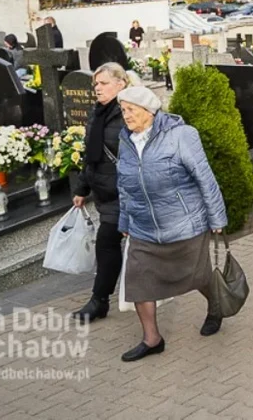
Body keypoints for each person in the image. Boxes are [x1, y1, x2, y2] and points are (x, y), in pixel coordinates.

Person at [114, 86, 229, 362]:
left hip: (183, 222)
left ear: (148, 111)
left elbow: (205, 177)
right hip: (143, 226)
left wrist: (217, 218)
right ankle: (152, 339)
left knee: (198, 275)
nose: (125, 116)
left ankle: (216, 304)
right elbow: (124, 184)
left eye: (130, 110)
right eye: (123, 110)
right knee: (137, 279)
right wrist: (125, 219)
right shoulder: (125, 140)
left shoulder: (181, 135)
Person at [70, 63, 130, 323]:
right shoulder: (98, 112)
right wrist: (83, 188)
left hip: (124, 193)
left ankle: (99, 300)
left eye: (103, 83)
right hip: (104, 192)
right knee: (108, 244)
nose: (97, 89)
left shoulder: (128, 112)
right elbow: (91, 155)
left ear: (121, 84)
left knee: (107, 242)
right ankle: (101, 300)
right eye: (96, 84)